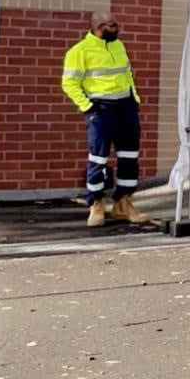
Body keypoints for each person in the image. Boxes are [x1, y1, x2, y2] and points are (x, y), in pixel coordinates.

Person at [62, 12, 151, 227]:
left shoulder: (118, 46)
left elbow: (127, 73)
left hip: (126, 107)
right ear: (100, 27)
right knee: (98, 159)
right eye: (113, 26)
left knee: (129, 157)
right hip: (100, 110)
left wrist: (134, 98)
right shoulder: (79, 52)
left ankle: (124, 203)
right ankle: (96, 204)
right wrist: (88, 108)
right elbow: (69, 83)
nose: (117, 29)